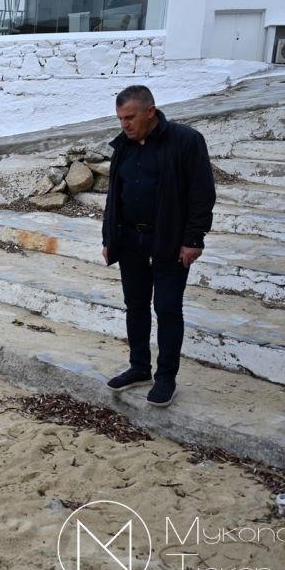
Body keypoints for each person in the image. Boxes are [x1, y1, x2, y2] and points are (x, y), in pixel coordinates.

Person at [101, 85, 215, 408]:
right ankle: (139, 367)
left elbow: (202, 194)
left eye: (130, 117)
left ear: (151, 111)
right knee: (135, 305)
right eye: (120, 118)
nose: (125, 124)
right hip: (130, 241)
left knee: (166, 309)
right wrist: (109, 239)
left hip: (169, 241)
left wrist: (194, 239)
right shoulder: (122, 146)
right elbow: (114, 196)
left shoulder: (186, 141)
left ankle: (166, 377)